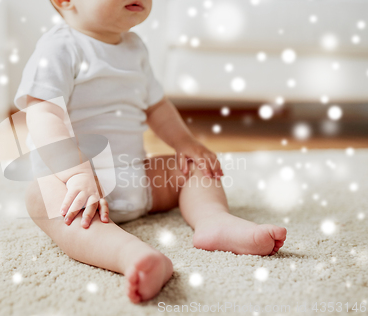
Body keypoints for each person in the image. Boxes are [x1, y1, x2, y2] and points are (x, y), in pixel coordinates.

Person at [16, 0, 287, 303]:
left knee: (193, 167)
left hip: (137, 179)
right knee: (40, 195)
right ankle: (129, 253)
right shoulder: (59, 48)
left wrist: (185, 144)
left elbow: (157, 106)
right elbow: (44, 116)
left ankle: (214, 220)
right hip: (76, 189)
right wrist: (77, 174)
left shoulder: (135, 48)